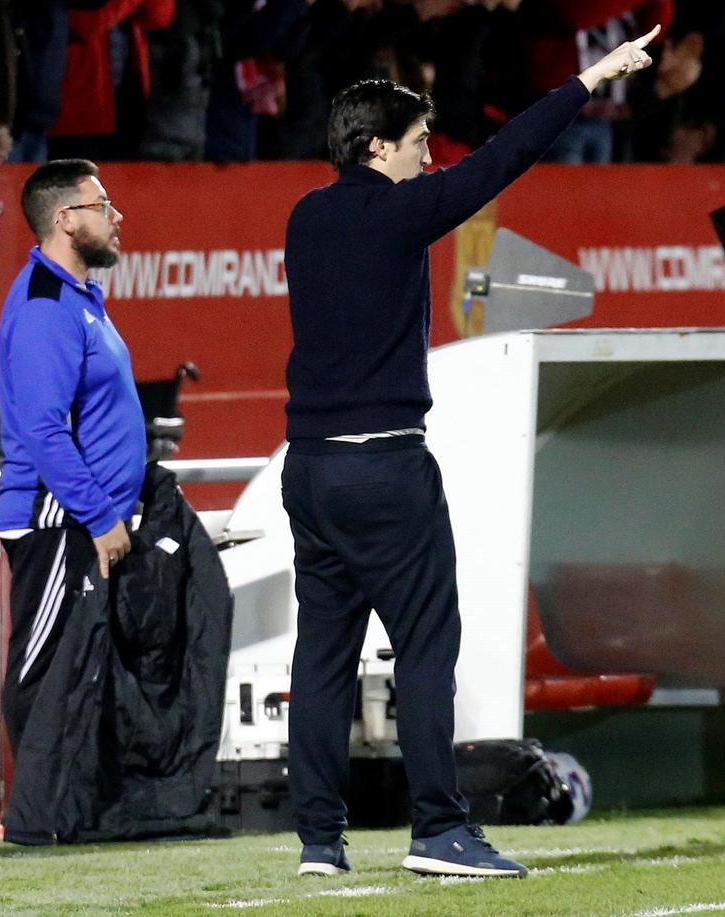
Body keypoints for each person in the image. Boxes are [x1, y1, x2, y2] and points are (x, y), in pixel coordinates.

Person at [280, 24, 660, 879]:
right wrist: (588, 79)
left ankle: (318, 841)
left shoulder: (306, 217)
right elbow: (504, 157)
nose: (428, 157)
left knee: (324, 653)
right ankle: (440, 831)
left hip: (308, 469)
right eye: (416, 143)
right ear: (378, 147)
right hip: (385, 465)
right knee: (424, 647)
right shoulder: (399, 208)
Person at [0, 159, 141, 755]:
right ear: (64, 219)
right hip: (57, 520)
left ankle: (69, 804)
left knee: (77, 666)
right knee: (42, 664)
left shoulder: (79, 297)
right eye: (102, 205)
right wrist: (99, 517)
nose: (116, 216)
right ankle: (35, 814)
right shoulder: (45, 306)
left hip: (79, 518)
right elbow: (43, 431)